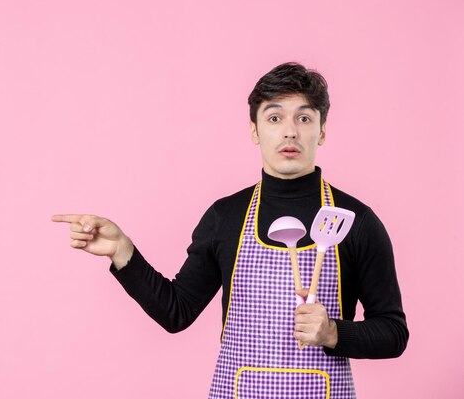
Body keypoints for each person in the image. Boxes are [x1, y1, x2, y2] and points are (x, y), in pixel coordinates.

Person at [52, 62, 408, 398]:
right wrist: (122, 251)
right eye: (274, 117)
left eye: (304, 117)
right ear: (255, 130)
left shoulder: (355, 221)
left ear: (322, 130)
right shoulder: (226, 217)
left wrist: (333, 332)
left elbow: (393, 333)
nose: (289, 130)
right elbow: (176, 312)